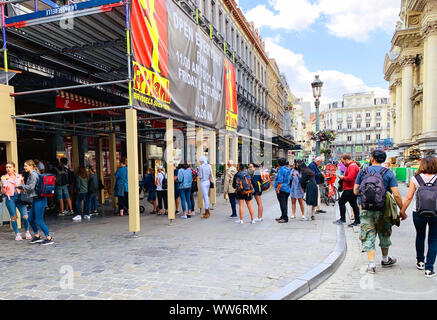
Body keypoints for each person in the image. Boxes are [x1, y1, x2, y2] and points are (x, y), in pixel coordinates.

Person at [354, 149, 403, 274]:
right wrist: (402, 209)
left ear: (372, 158)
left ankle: (371, 265)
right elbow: (396, 194)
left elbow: (355, 191)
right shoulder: (388, 173)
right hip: (384, 209)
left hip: (366, 209)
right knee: (384, 233)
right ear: (384, 159)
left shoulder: (363, 171)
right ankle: (385, 260)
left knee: (368, 234)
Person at [399, 155, 437, 278]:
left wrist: (402, 211)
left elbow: (409, 197)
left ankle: (420, 261)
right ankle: (429, 268)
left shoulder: (416, 178)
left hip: (418, 212)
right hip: (436, 213)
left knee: (420, 236)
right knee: (433, 239)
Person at [19, 160, 54, 245]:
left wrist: (20, 186)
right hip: (36, 199)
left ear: (31, 166)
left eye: (26, 166)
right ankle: (37, 236)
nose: (24, 167)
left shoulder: (33, 175)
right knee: (30, 218)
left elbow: (31, 187)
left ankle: (49, 237)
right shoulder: (32, 174)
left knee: (39, 220)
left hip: (40, 199)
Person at [1, 161, 31, 241]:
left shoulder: (19, 176)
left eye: (10, 167)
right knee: (13, 217)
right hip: (10, 198)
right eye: (7, 167)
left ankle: (27, 231)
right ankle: (17, 234)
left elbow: (24, 187)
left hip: (20, 197)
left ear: (14, 168)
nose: (8, 169)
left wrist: (26, 198)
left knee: (25, 216)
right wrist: (4, 186)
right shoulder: (4, 177)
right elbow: (3, 191)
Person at [334, 154, 361, 226]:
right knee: (353, 204)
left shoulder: (352, 166)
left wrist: (342, 177)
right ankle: (357, 220)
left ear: (346, 160)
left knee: (341, 202)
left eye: (343, 162)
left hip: (350, 188)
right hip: (352, 188)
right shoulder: (352, 166)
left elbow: (350, 178)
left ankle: (343, 219)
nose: (343, 164)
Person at [274, 158, 291, 224]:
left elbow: (280, 181)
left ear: (278, 163)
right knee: (285, 203)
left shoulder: (281, 170)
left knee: (282, 204)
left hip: (282, 189)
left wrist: (278, 189)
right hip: (287, 188)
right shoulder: (287, 169)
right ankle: (283, 216)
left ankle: (285, 218)